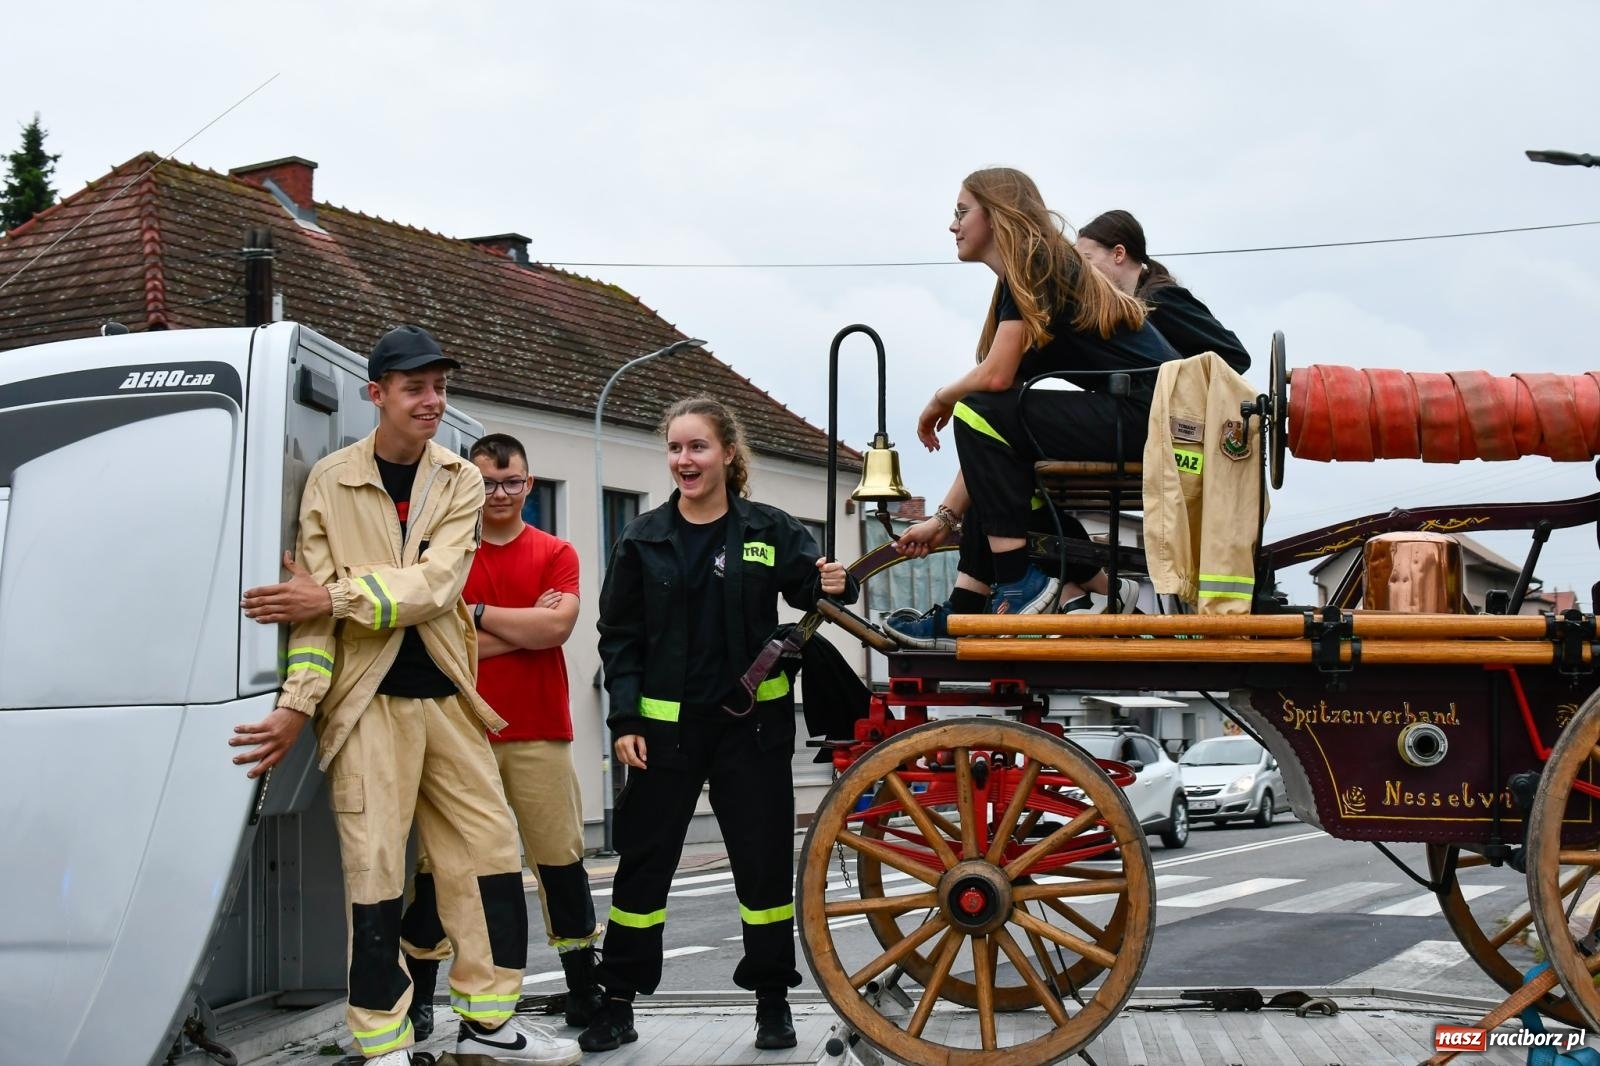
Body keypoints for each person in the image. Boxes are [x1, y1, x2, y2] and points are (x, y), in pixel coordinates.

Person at [233, 325, 580, 1066]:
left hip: (450, 700)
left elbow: (436, 587)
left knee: (488, 856)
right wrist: (297, 704)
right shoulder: (331, 481)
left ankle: (490, 1025)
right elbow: (309, 625)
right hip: (366, 709)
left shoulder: (460, 479)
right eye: (415, 388)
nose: (432, 401)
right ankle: (383, 1042)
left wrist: (330, 597)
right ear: (377, 393)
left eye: (440, 387)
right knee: (376, 873)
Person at [579, 396, 856, 1054]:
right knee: (642, 871)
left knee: (761, 870)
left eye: (697, 447)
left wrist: (833, 583)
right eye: (675, 448)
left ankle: (772, 1001)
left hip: (752, 731)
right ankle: (617, 1000)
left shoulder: (770, 531)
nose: (684, 460)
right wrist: (623, 720)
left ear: (728, 453)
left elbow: (811, 591)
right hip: (662, 736)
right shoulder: (643, 539)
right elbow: (618, 638)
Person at [887, 169, 1179, 651]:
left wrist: (942, 397)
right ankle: (973, 604)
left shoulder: (1038, 262)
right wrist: (944, 519)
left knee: (977, 404)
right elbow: (990, 435)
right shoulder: (1024, 278)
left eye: (962, 212)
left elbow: (993, 383)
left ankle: (1020, 581)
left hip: (1150, 417)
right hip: (1140, 416)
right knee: (986, 420)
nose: (952, 225)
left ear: (997, 215)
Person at [398, 432, 603, 1043]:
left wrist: (479, 616)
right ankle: (424, 998)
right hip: (460, 729)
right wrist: (527, 627)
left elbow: (557, 629)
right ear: (468, 485)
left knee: (560, 860)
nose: (500, 494)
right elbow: (440, 638)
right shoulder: (447, 555)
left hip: (539, 727)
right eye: (487, 483)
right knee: (441, 868)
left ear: (529, 484)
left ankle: (583, 987)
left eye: (512, 483)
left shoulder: (555, 551)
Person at [1076, 208, 1250, 374]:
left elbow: (1234, 355)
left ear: (1118, 254)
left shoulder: (1158, 299)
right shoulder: (1138, 302)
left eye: (1086, 259)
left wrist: (1177, 387)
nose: (1082, 271)